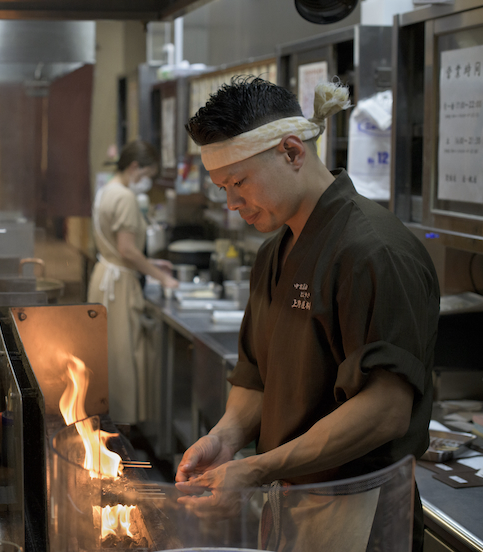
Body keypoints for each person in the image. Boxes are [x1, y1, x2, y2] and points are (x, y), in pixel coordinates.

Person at [175, 77, 439, 551]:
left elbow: (385, 411)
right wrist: (226, 438)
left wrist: (257, 468)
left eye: (239, 183)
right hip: (289, 502)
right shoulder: (273, 253)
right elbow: (258, 379)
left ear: (293, 153)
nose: (232, 204)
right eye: (222, 188)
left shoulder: (373, 251)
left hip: (362, 508)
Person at [87, 140, 179, 425]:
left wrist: (151, 264)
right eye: (148, 175)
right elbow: (127, 250)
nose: (148, 183)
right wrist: (161, 276)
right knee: (121, 361)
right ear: (135, 167)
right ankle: (119, 437)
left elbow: (118, 250)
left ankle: (106, 428)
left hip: (105, 275)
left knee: (107, 359)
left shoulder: (106, 190)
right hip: (119, 287)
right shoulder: (125, 197)